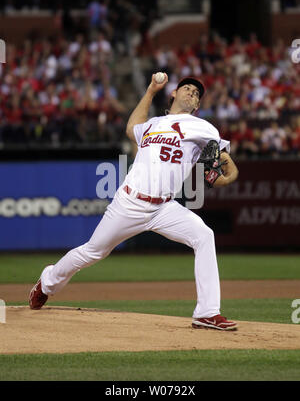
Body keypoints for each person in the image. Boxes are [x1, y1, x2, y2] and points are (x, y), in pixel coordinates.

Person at [29, 74, 239, 331]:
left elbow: (226, 164)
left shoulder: (203, 128)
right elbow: (132, 129)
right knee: (93, 251)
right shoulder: (153, 124)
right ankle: (47, 282)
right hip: (129, 202)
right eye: (187, 88)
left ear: (197, 106)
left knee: (204, 235)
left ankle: (207, 313)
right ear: (174, 93)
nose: (192, 94)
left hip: (165, 207)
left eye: (197, 94)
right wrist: (150, 90)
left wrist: (228, 178)